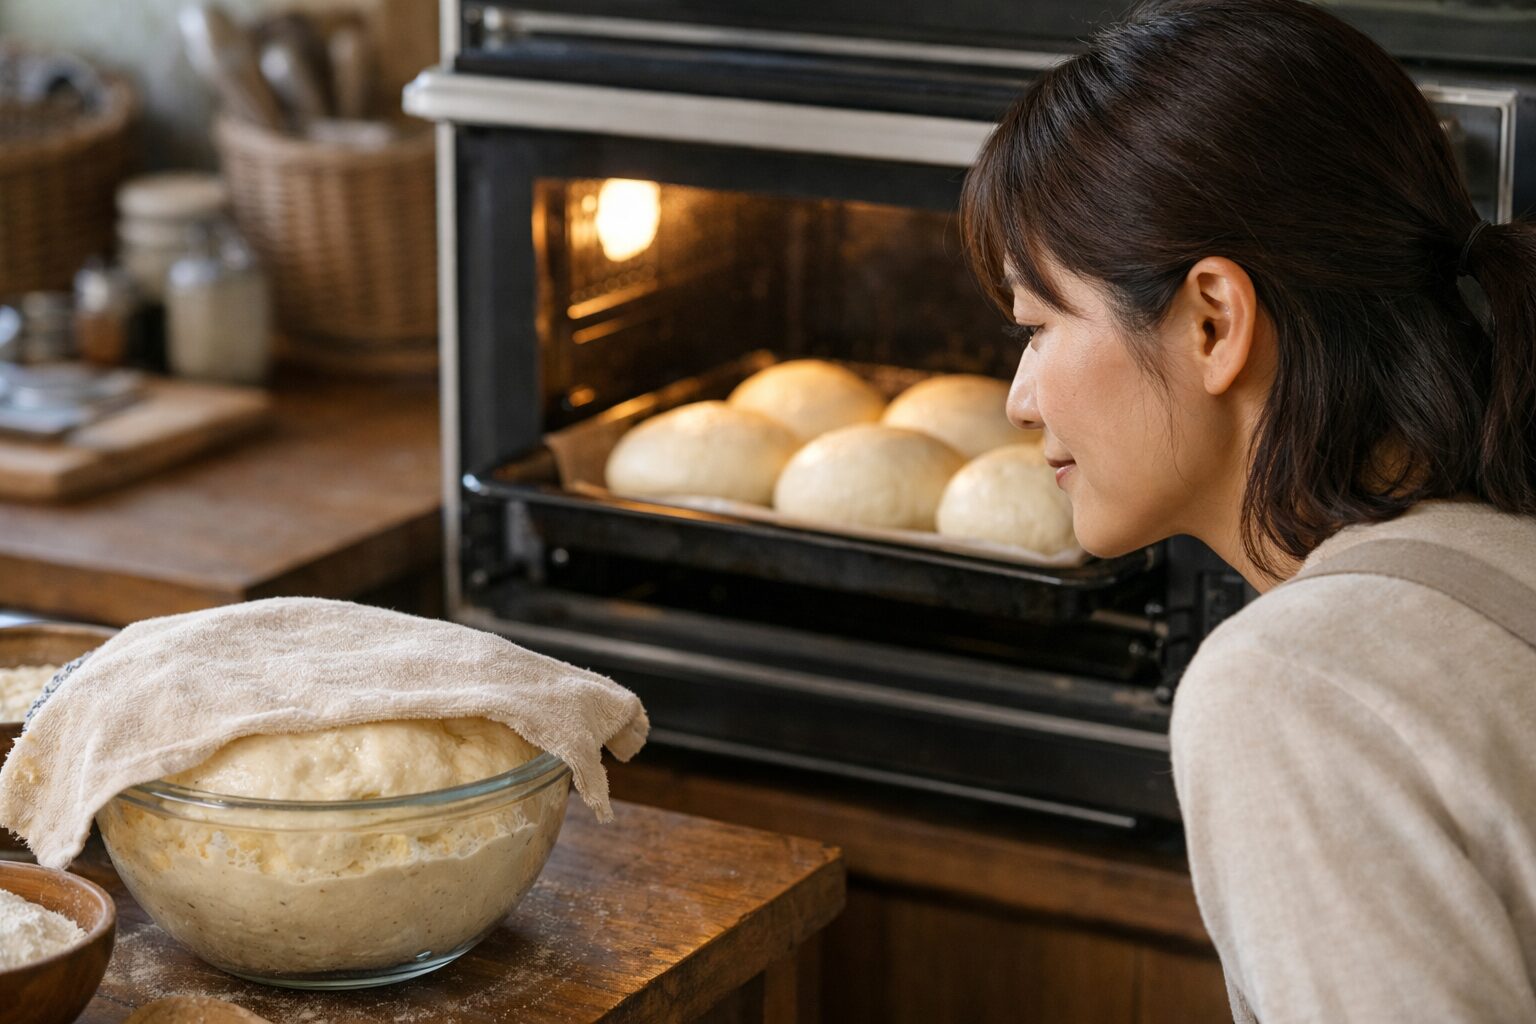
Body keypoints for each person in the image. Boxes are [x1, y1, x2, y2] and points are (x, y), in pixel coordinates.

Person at [959, 1, 1536, 1020]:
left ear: (1214, 320)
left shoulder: (1294, 686)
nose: (1020, 396)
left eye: (1039, 325)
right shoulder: (1502, 539)